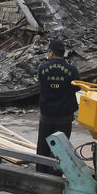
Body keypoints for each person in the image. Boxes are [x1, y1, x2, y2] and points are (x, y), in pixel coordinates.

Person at [35, 39, 79, 174]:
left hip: (47, 115)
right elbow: (77, 87)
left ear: (52, 53)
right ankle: (56, 176)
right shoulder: (72, 70)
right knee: (61, 148)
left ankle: (41, 173)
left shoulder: (42, 68)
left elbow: (41, 83)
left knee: (43, 147)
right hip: (64, 116)